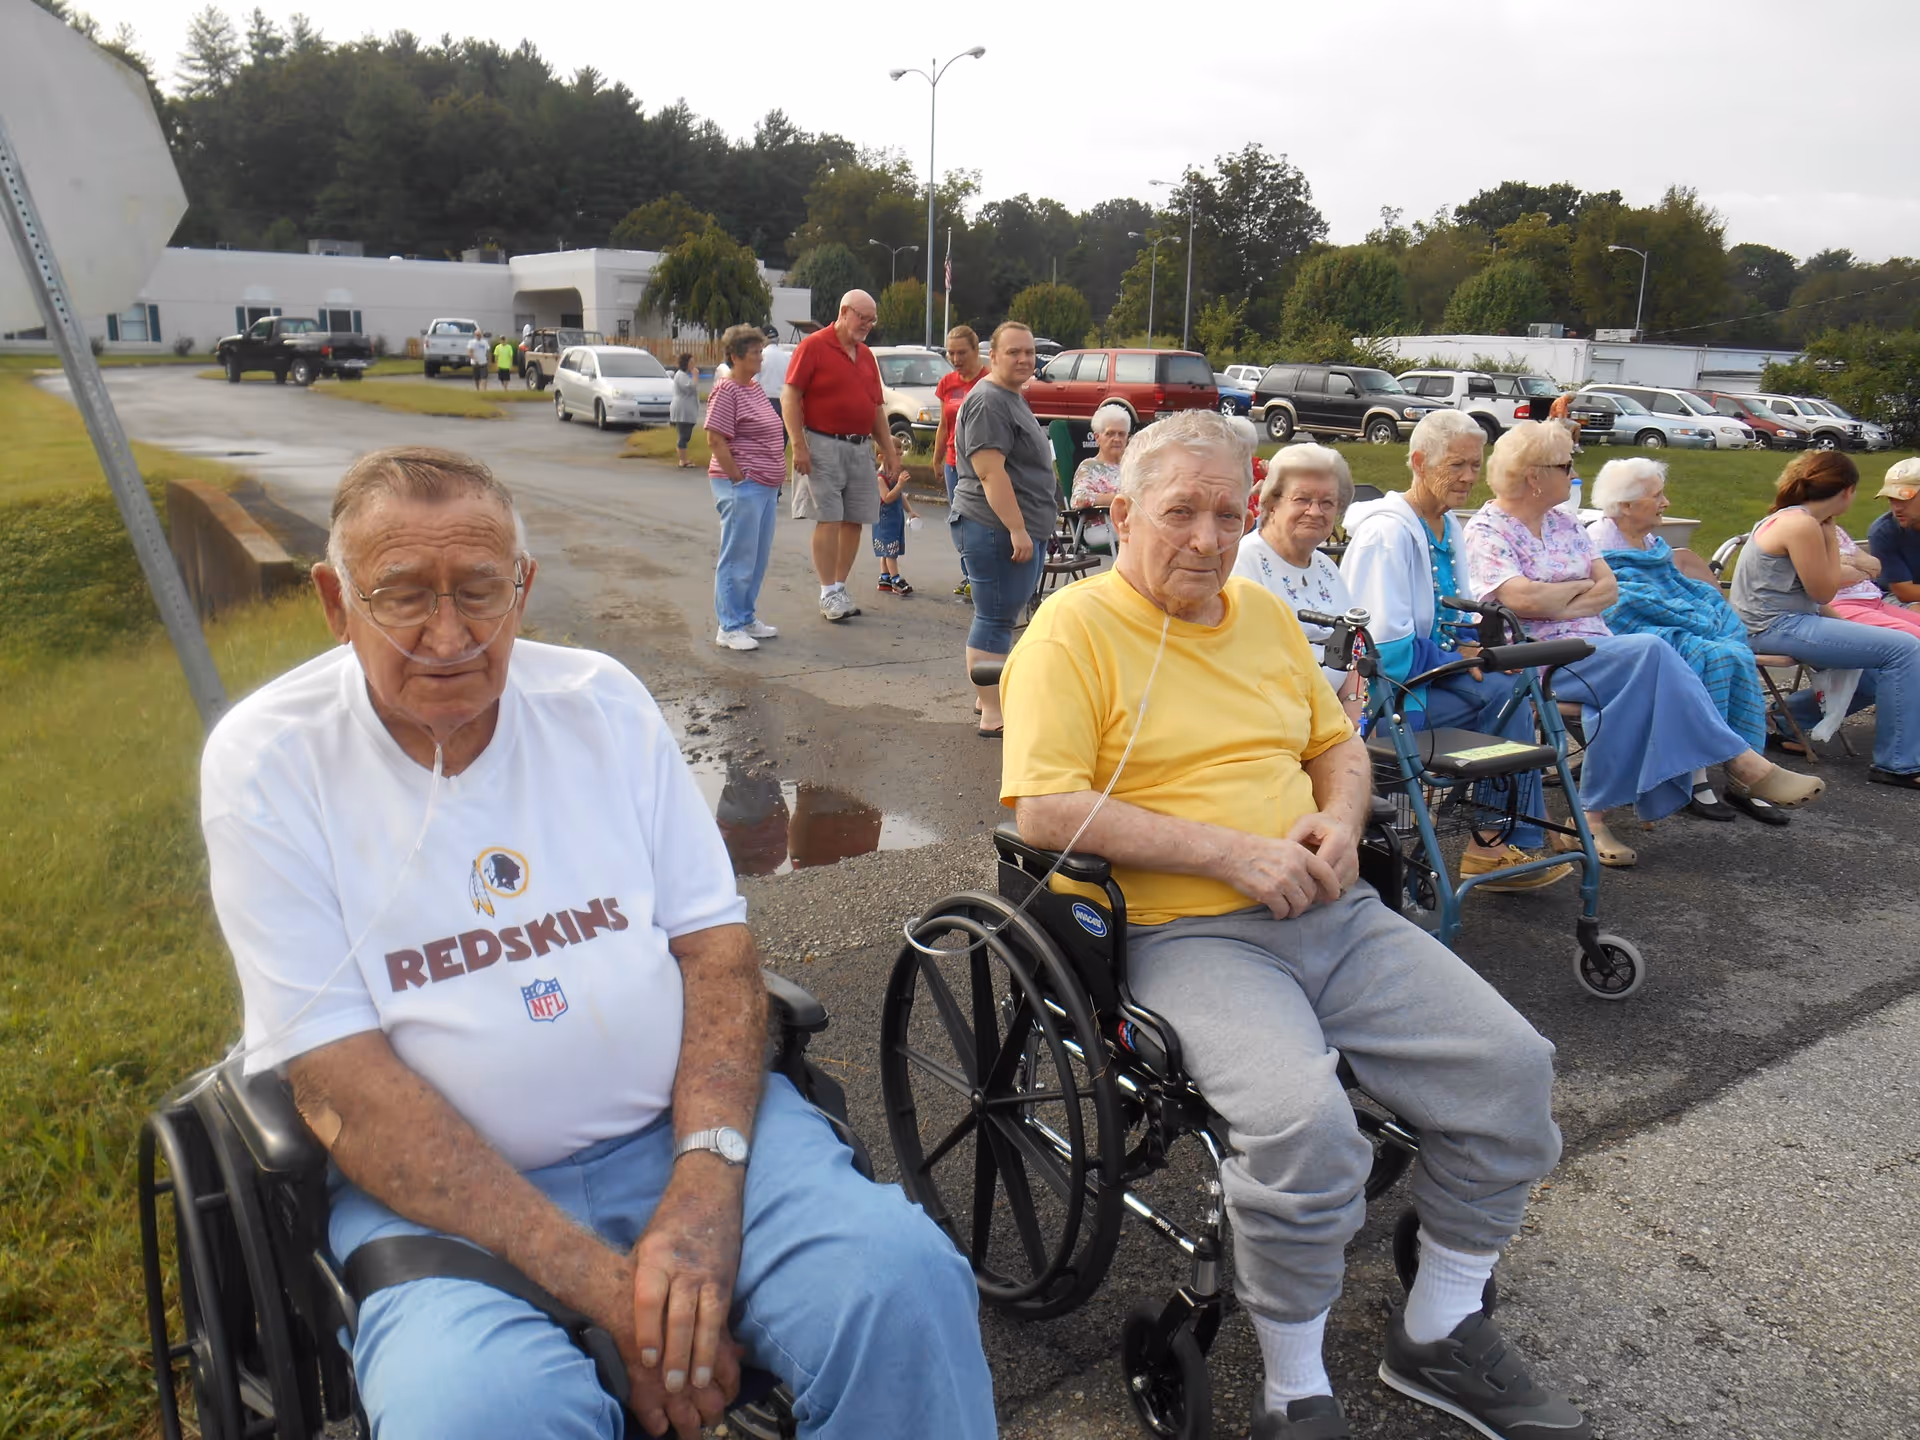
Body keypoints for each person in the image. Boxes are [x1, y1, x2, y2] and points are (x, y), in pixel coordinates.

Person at [199, 445, 997, 1440]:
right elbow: (334, 1077)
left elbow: (715, 951)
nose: (448, 635)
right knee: (477, 1416)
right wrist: (621, 1297)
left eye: (481, 592)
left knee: (905, 1290)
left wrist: (703, 1194)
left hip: (682, 1135)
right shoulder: (270, 761)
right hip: (439, 1198)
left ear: (523, 590)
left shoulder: (599, 704)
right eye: (402, 595)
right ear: (333, 599)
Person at [999, 409, 1590, 1440]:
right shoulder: (1074, 629)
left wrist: (1340, 822)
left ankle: (1440, 1329)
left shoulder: (1264, 617)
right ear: (1124, 514)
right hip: (1189, 934)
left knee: (1512, 1070)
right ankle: (1292, 1390)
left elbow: (1340, 746)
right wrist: (1233, 852)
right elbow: (1045, 810)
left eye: (1229, 512)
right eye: (1180, 511)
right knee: (1307, 1135)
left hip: (1329, 905)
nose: (1208, 537)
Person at [1461, 421, 1824, 866]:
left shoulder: (1564, 522)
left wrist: (1554, 600)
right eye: (1566, 464)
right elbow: (1518, 599)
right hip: (1534, 656)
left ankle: (1589, 823)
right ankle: (1740, 762)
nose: (1575, 472)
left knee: (1636, 684)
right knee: (1651, 652)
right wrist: (1574, 595)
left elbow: (1608, 589)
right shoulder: (1488, 529)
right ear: (1535, 476)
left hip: (1594, 651)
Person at [1340, 411, 1572, 891]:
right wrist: (1460, 661)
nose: (1470, 476)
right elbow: (1385, 649)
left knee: (1514, 686)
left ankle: (1495, 841)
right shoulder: (1388, 532)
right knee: (1507, 694)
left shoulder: (1445, 526)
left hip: (1423, 686)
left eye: (1475, 463)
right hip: (1381, 702)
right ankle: (1494, 843)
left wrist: (1470, 644)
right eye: (1458, 464)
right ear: (1419, 462)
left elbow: (1458, 618)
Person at [1586, 457, 1777, 823]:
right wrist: (1683, 619)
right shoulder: (1597, 540)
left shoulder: (1649, 540)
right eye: (1657, 495)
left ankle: (1743, 771)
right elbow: (1618, 603)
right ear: (1626, 505)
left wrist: (1700, 611)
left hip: (1662, 626)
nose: (1666, 503)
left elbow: (1672, 585)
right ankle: (1696, 773)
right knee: (1704, 653)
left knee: (1732, 650)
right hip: (1624, 634)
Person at [1729, 449, 1920, 789]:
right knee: (1905, 649)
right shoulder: (1801, 524)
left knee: (1878, 673)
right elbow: (1823, 592)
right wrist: (1831, 540)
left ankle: (1788, 720)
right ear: (1847, 491)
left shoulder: (1800, 520)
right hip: (1772, 626)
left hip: (1785, 621)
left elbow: (1813, 598)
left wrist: (1853, 628)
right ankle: (1897, 764)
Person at [953, 321, 1054, 737]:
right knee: (994, 618)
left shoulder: (1009, 396)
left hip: (1015, 525)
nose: (1024, 359)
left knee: (999, 614)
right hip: (995, 527)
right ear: (991, 357)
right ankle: (994, 714)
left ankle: (986, 699)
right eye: (1014, 352)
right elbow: (991, 473)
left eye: (1029, 352)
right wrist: (1017, 529)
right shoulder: (989, 402)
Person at [781, 291, 904, 622]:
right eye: (863, 317)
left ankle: (838, 587)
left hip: (859, 447)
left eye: (872, 319)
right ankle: (827, 592)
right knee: (830, 518)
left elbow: (876, 407)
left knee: (855, 519)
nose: (868, 324)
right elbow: (790, 397)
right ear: (844, 312)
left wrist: (889, 451)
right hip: (822, 443)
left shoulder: (865, 355)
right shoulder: (814, 347)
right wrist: (799, 445)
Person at [1229, 443, 1366, 721]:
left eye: (1327, 503)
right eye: (1302, 499)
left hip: (1336, 716)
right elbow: (1248, 667)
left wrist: (1353, 707)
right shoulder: (1245, 563)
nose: (1315, 512)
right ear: (1272, 503)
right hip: (1276, 720)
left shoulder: (1326, 566)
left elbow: (1356, 646)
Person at [703, 326, 785, 652]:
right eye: (754, 352)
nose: (761, 357)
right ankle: (729, 625)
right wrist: (738, 476)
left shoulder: (752, 387)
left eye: (761, 351)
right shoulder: (727, 391)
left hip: (764, 486)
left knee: (756, 557)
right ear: (736, 356)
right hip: (742, 485)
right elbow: (715, 438)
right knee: (737, 556)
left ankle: (746, 616)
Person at [931, 325, 988, 598]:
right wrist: (937, 456)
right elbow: (944, 424)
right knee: (960, 520)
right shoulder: (947, 383)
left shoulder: (989, 380)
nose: (955, 359)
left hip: (981, 464)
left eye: (962, 352)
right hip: (954, 461)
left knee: (984, 520)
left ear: (976, 351)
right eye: (951, 353)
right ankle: (969, 575)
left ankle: (984, 576)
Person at [1866, 456, 1920, 604]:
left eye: (1903, 498)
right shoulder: (1883, 532)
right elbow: (1905, 592)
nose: (1896, 508)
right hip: (1897, 597)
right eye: (1891, 499)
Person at [1070, 403, 1131, 511]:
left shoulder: (1133, 466)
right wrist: (1121, 499)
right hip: (1103, 526)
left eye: (1121, 434)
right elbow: (1079, 499)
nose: (1116, 439)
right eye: (1110, 433)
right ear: (1097, 437)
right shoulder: (1090, 466)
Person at [670, 353, 700, 469]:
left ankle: (684, 458)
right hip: (682, 409)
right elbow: (690, 388)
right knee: (684, 435)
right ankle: (683, 460)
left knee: (686, 434)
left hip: (687, 409)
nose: (693, 365)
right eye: (691, 362)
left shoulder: (684, 375)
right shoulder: (681, 375)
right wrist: (695, 376)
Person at [756, 326, 790, 420]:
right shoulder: (787, 358)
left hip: (764, 402)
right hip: (784, 402)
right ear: (778, 339)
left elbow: (753, 382)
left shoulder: (759, 357)